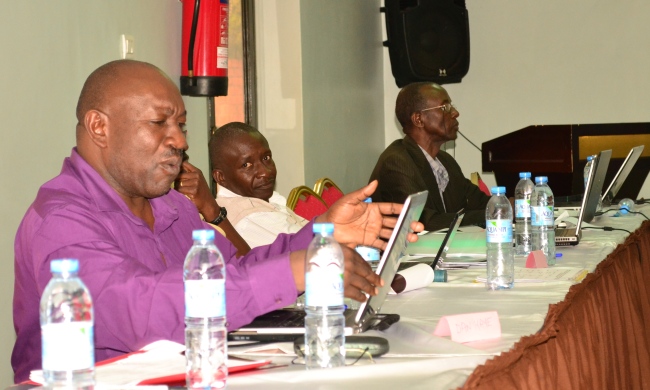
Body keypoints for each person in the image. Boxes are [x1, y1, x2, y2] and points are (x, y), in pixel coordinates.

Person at [12, 59, 422, 382]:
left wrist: (321, 236)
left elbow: (236, 269)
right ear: (99, 126)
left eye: (181, 124)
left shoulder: (172, 205)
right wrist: (293, 273)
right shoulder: (61, 220)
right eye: (160, 123)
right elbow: (137, 308)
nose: (181, 141)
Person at [369, 82, 490, 231]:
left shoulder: (445, 161)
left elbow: (480, 202)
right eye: (445, 107)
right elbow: (425, 222)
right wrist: (495, 215)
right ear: (418, 119)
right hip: (406, 253)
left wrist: (512, 206)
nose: (455, 113)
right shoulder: (396, 163)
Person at [208, 122, 308, 248]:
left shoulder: (259, 199)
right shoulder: (250, 219)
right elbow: (319, 249)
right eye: (246, 165)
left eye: (266, 158)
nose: (265, 172)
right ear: (221, 177)